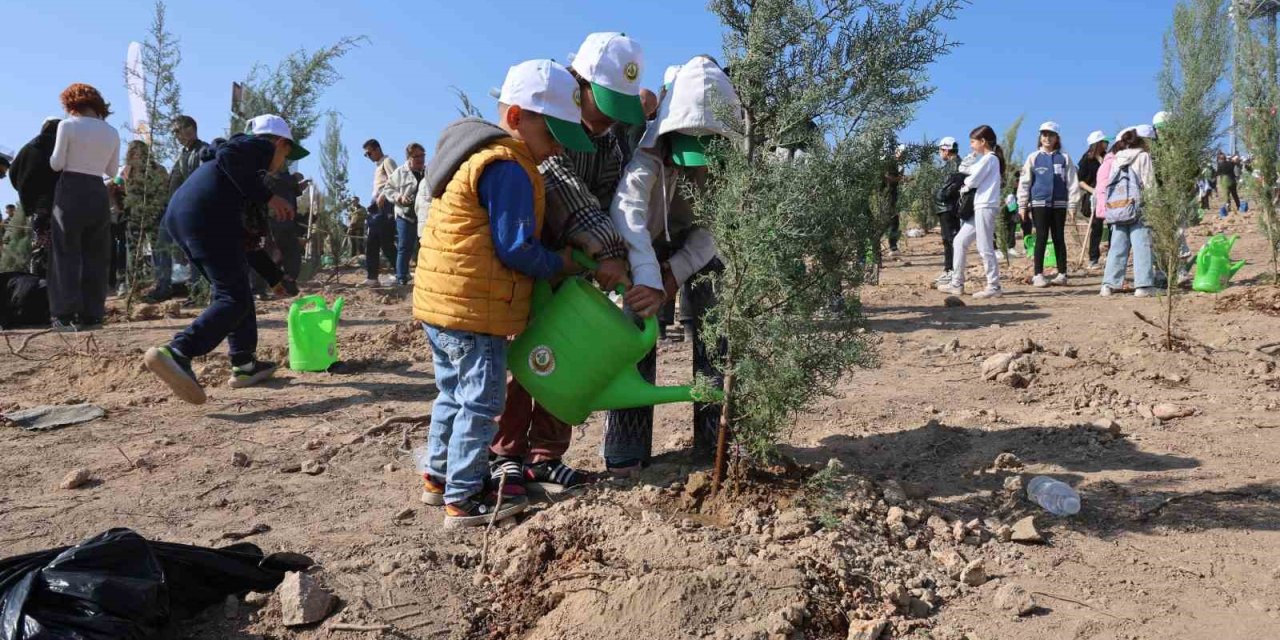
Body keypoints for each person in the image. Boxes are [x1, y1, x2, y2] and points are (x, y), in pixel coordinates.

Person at [414, 59, 596, 528]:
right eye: (553, 135)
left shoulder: (475, 155)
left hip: (444, 302)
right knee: (482, 401)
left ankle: (437, 477)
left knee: (452, 393)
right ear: (516, 118)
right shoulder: (510, 166)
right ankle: (466, 496)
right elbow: (516, 249)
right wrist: (563, 263)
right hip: (476, 310)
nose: (557, 148)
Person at [488, 32, 636, 496]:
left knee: (565, 355)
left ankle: (546, 457)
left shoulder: (609, 143)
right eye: (603, 101)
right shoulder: (547, 120)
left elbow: (614, 198)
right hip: (533, 260)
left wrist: (618, 252)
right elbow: (560, 185)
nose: (609, 115)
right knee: (522, 356)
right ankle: (503, 454)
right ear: (580, 81)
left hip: (578, 267)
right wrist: (608, 248)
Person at [602, 55, 738, 475]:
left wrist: (676, 271)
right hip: (646, 247)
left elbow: (718, 227)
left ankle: (715, 439)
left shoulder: (732, 166)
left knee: (716, 336)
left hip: (701, 250)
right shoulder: (646, 155)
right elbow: (628, 213)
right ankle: (627, 445)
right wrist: (650, 278)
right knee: (634, 333)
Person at [142, 115, 306, 404]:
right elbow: (231, 153)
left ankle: (244, 365)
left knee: (236, 289)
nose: (285, 162)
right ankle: (178, 352)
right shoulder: (255, 148)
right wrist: (270, 197)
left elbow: (247, 243)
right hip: (205, 218)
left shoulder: (241, 177)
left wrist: (274, 278)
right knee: (234, 298)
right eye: (287, 153)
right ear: (279, 142)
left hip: (186, 218)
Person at [47, 83, 121, 332]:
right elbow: (112, 171)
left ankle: (64, 315)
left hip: (71, 188)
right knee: (96, 255)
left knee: (65, 253)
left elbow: (56, 164)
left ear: (71, 104)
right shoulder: (111, 132)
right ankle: (93, 315)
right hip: (97, 190)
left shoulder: (67, 125)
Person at [145, 115, 208, 303]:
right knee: (161, 246)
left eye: (177, 130)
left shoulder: (203, 151)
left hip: (192, 210)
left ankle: (198, 291)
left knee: (193, 250)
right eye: (174, 132)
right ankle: (163, 287)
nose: (175, 135)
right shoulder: (184, 153)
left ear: (191, 129)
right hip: (174, 210)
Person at [939, 124, 1005, 299]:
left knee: (985, 247)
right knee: (959, 241)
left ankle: (994, 285)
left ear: (983, 141)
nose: (971, 145)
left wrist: (964, 185)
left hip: (986, 205)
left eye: (973, 142)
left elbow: (973, 180)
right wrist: (972, 157)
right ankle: (956, 283)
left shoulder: (990, 159)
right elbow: (964, 169)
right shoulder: (984, 159)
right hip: (979, 206)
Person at [1016, 121, 1080, 286]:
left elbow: (1072, 182)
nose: (1047, 138)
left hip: (1059, 204)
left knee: (1059, 237)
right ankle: (1038, 274)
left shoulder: (1064, 158)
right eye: (1044, 134)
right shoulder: (1033, 157)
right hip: (1039, 203)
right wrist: (1022, 205)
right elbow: (1024, 183)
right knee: (1041, 237)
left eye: (1051, 135)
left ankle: (1062, 273)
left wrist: (1073, 204)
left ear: (1057, 138)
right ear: (1040, 137)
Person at [1100, 126, 1157, 298]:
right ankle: (1143, 286)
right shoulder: (1143, 156)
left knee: (1117, 247)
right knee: (1142, 246)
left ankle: (1108, 285)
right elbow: (1149, 183)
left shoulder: (1117, 158)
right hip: (1138, 207)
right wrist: (1155, 206)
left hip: (1119, 207)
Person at [9, 118, 62, 277]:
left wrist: (25, 193)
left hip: (37, 208)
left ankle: (39, 287)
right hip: (60, 204)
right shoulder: (60, 146)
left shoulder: (28, 148)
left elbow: (13, 172)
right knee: (62, 248)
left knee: (39, 247)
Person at [381, 142, 425, 286]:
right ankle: (401, 278)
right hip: (404, 215)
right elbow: (388, 190)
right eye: (416, 156)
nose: (420, 158)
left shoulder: (428, 172)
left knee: (424, 247)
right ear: (409, 157)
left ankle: (423, 278)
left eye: (422, 155)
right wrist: (399, 197)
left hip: (423, 216)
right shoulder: (399, 173)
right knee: (404, 246)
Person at [361, 139, 398, 286]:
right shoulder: (378, 167)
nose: (368, 156)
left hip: (385, 207)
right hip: (376, 208)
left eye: (369, 153)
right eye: (366, 154)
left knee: (386, 242)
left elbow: (396, 179)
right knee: (372, 242)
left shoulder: (387, 161)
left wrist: (383, 194)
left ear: (377, 149)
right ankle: (372, 278)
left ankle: (401, 273)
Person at [932, 137, 962, 284]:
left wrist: (941, 196)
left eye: (940, 150)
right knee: (949, 239)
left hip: (948, 207)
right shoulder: (953, 164)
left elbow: (950, 187)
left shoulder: (954, 165)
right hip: (947, 207)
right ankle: (951, 270)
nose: (939, 153)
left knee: (949, 239)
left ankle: (951, 271)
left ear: (946, 150)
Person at [1078, 131, 1109, 269]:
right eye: (1104, 141)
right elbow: (1080, 181)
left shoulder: (1107, 157)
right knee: (1096, 227)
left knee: (1114, 225)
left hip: (1110, 196)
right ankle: (1093, 258)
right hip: (1094, 197)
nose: (1107, 144)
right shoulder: (1086, 159)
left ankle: (1111, 255)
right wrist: (1093, 191)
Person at [882, 144, 905, 258]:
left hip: (893, 196)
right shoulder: (890, 164)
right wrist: (901, 179)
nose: (902, 155)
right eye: (901, 153)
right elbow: (887, 178)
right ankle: (873, 255)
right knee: (886, 223)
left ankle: (893, 247)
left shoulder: (900, 165)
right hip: (886, 197)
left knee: (894, 222)